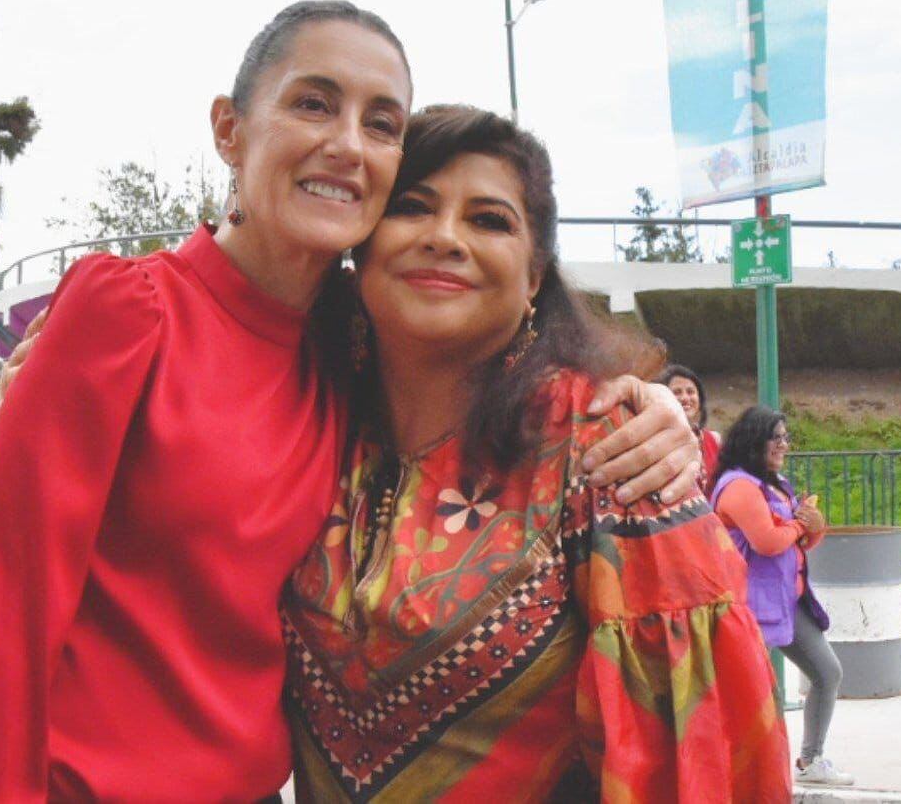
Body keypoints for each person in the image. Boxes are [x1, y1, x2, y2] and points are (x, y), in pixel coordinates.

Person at [0, 3, 700, 802]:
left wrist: (653, 404)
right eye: (312, 103)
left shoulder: (346, 356)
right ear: (229, 130)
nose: (347, 145)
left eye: (381, 124)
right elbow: (1, 616)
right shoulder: (129, 312)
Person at [283, 106, 790, 802]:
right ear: (360, 248)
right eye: (411, 207)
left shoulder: (609, 448)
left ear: (533, 278)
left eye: (489, 220)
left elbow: (692, 755)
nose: (444, 237)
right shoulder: (308, 416)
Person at [711, 405, 853, 788]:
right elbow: (768, 541)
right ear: (754, 439)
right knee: (749, 695)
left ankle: (810, 760)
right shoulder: (739, 486)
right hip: (750, 609)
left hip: (788, 602)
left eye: (786, 437)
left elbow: (796, 541)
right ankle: (733, 772)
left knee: (827, 673)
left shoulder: (776, 483)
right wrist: (798, 525)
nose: (783, 445)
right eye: (776, 437)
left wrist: (814, 527)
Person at [658, 363, 721, 491]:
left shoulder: (714, 439)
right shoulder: (657, 442)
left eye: (690, 392)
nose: (685, 398)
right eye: (677, 392)